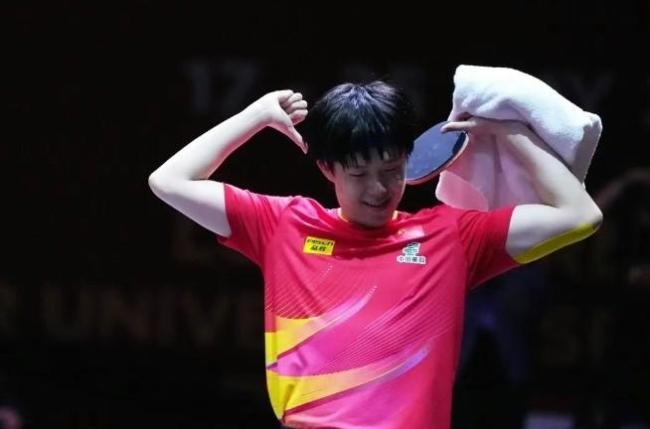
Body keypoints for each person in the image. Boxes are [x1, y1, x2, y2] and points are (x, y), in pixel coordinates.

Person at [148, 81, 603, 428]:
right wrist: (255, 116)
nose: (379, 188)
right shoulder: (283, 226)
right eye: (359, 173)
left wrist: (510, 133)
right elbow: (169, 181)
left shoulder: (451, 238)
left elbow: (580, 215)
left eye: (391, 169)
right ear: (327, 169)